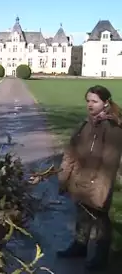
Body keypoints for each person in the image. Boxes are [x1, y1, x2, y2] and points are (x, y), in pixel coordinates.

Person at [57, 85, 122, 271]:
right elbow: (72, 150)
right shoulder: (86, 124)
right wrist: (65, 178)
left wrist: (101, 191)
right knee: (82, 213)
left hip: (99, 180)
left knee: (100, 220)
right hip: (82, 177)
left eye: (94, 101)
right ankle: (79, 246)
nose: (90, 105)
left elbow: (110, 164)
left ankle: (101, 258)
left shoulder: (113, 128)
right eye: (88, 101)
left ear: (106, 103)